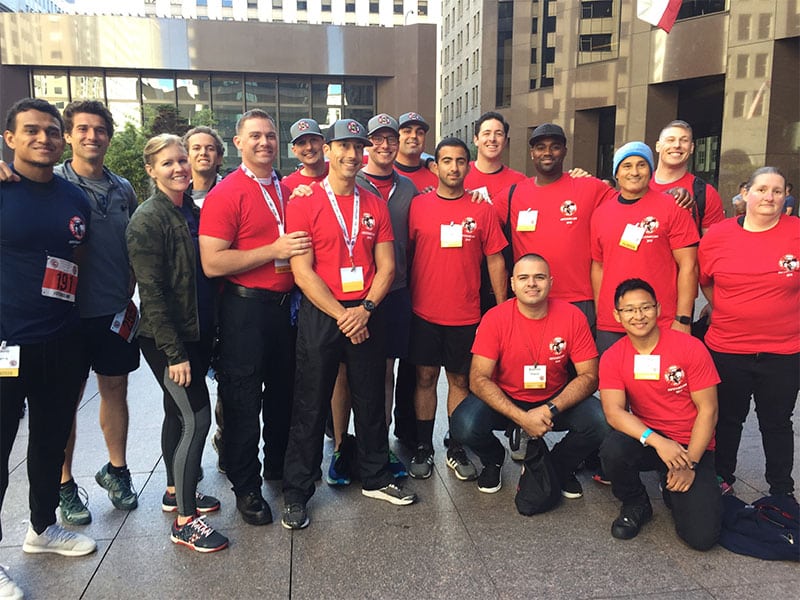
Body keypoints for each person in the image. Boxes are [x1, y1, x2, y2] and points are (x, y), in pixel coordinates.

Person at [0, 100, 141, 526]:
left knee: (96, 400)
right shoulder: (26, 182)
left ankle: (110, 475)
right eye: (80, 128)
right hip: (33, 333)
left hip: (101, 316)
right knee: (41, 418)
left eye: (99, 129)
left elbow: (81, 253)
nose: (90, 136)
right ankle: (63, 485)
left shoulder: (112, 190)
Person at [282, 119, 417, 530]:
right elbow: (302, 272)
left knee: (371, 398)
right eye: (344, 146)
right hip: (324, 314)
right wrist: (344, 315)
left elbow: (388, 265)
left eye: (359, 147)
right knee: (310, 403)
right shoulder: (304, 201)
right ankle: (297, 492)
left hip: (365, 312)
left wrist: (366, 309)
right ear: (328, 150)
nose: (352, 155)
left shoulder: (373, 200)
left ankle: (375, 476)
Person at [1, 98, 96, 589]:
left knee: (49, 441)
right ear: (10, 138)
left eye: (51, 131)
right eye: (31, 130)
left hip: (60, 339)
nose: (44, 138)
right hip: (5, 346)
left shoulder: (73, 198)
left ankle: (42, 527)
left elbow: (76, 259)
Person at [199, 110, 309, 526]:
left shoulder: (285, 187)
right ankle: (246, 487)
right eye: (255, 136)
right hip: (245, 309)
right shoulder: (227, 193)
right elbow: (213, 262)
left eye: (270, 136)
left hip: (285, 311)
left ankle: (277, 468)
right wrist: (273, 250)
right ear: (238, 142)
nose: (264, 142)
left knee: (284, 395)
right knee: (243, 400)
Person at [126, 134, 227, 552]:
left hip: (196, 331)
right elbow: (151, 294)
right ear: (151, 170)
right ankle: (185, 521)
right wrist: (175, 355)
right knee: (196, 420)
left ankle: (175, 492)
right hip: (168, 340)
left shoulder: (191, 211)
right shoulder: (147, 220)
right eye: (168, 163)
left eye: (182, 160)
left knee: (176, 414)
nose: (180, 168)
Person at [451, 254, 606, 498]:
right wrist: (522, 418)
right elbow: (478, 379)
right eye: (524, 278)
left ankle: (559, 466)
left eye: (539, 277)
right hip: (506, 396)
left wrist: (547, 411)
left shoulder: (573, 316)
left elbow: (589, 376)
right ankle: (493, 459)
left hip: (554, 397)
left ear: (551, 282)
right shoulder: (495, 318)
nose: (532, 283)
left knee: (601, 422)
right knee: (463, 425)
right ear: (512, 284)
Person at [406, 137, 508, 481]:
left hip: (467, 315)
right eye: (446, 161)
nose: (453, 167)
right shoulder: (418, 206)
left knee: (460, 380)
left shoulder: (482, 208)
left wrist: (502, 309)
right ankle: (423, 445)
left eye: (460, 161)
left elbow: (495, 260)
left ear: (468, 166)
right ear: (435, 166)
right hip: (424, 313)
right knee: (424, 378)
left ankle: (456, 446)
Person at [324, 113, 417, 485]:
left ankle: (379, 443)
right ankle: (340, 446)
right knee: (342, 373)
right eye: (375, 139)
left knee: (385, 372)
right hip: (347, 298)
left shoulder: (410, 186)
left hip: (391, 292)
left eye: (390, 138)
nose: (384, 145)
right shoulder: (348, 180)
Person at [698, 166, 800, 497]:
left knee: (777, 423)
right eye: (761, 189)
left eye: (777, 190)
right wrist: (725, 308)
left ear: (786, 196)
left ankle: (782, 491)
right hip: (728, 348)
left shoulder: (797, 232)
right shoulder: (718, 235)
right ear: (745, 193)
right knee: (727, 419)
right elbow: (706, 282)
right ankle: (722, 476)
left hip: (784, 352)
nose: (769, 196)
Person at [599, 278, 722, 550]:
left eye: (645, 307)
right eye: (629, 310)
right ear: (617, 316)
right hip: (650, 438)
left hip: (691, 444)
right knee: (612, 449)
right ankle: (636, 502)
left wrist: (689, 463)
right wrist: (657, 441)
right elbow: (613, 412)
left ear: (658, 308)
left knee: (702, 538)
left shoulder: (689, 347)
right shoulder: (613, 356)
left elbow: (709, 410)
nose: (638, 316)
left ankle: (675, 481)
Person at [590, 142, 699, 354]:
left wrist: (683, 319)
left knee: (660, 384)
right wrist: (600, 312)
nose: (634, 172)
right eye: (626, 166)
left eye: (641, 165)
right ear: (617, 173)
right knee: (614, 383)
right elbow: (598, 266)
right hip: (613, 323)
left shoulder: (672, 208)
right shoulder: (601, 214)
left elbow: (689, 266)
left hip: (661, 319)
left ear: (650, 170)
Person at [650, 120, 725, 234]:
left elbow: (713, 245)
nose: (677, 145)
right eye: (670, 140)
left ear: (691, 148)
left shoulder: (705, 194)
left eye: (684, 140)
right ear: (658, 146)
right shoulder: (640, 185)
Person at [394, 112, 438, 193]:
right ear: (396, 137)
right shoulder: (383, 174)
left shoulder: (438, 176)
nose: (414, 136)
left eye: (420, 133)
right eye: (407, 131)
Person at [282, 118, 328, 191]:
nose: (309, 147)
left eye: (313, 140)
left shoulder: (339, 170)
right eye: (302, 143)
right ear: (294, 150)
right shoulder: (287, 185)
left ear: (323, 143)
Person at [183, 125, 224, 207]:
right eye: (196, 148)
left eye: (210, 148)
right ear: (187, 157)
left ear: (219, 158)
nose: (203, 153)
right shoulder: (178, 197)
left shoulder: (232, 192)